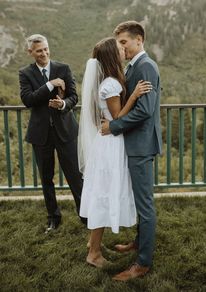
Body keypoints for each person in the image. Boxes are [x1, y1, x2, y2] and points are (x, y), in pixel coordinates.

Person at [78, 37, 152, 268]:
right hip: (111, 145)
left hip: (108, 142)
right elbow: (118, 117)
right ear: (112, 55)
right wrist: (134, 95)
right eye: (119, 48)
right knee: (104, 195)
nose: (123, 49)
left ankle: (93, 245)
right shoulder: (111, 84)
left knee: (102, 193)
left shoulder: (109, 81)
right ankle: (94, 254)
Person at [101, 21, 162, 281]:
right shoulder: (135, 66)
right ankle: (138, 244)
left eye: (124, 42)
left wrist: (114, 126)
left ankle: (143, 263)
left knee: (145, 205)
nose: (121, 47)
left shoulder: (146, 66)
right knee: (140, 201)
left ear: (139, 40)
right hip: (134, 143)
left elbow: (145, 110)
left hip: (140, 145)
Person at [19, 34, 86, 233]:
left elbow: (74, 96)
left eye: (46, 49)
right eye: (39, 50)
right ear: (30, 52)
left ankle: (85, 216)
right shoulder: (25, 73)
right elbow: (28, 99)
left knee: (75, 175)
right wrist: (50, 85)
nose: (44, 53)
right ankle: (53, 218)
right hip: (41, 135)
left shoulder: (63, 68)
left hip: (66, 132)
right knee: (46, 178)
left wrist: (64, 104)